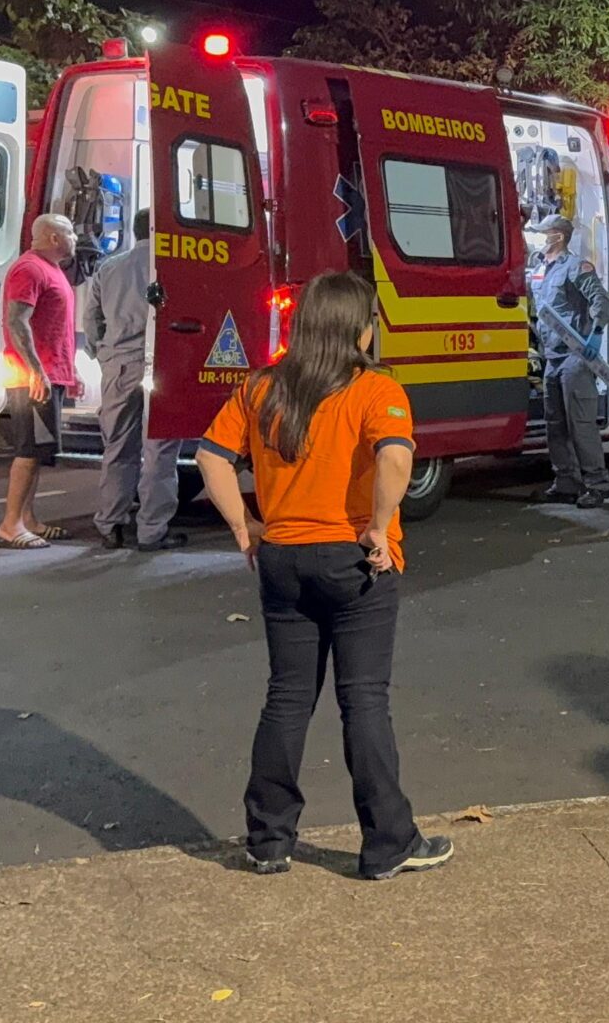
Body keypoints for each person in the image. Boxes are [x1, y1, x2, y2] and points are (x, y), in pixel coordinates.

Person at [197, 271, 453, 882]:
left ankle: (268, 838)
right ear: (360, 328)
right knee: (363, 699)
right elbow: (396, 456)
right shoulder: (375, 390)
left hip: (282, 558)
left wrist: (244, 526)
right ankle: (389, 841)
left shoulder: (263, 389)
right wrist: (379, 525)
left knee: (287, 697)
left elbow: (211, 455)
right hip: (352, 560)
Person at [86, 209, 187, 552]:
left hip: (119, 367)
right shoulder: (173, 266)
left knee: (117, 448)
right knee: (159, 450)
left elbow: (92, 322)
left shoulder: (109, 267)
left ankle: (110, 525)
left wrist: (104, 356)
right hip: (161, 367)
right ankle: (152, 530)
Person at [0, 213, 79, 550]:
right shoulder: (28, 269)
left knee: (39, 451)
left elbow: (55, 328)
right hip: (32, 378)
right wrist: (36, 370)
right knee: (28, 451)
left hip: (48, 374)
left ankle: (28, 518)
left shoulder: (51, 270)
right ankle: (10, 524)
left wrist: (69, 373)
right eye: (70, 232)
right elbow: (17, 322)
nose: (75, 237)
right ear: (54, 237)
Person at [530, 214, 609, 507]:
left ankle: (598, 485)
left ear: (559, 236)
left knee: (581, 424)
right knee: (555, 423)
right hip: (551, 358)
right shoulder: (540, 269)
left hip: (576, 357)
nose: (541, 238)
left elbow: (600, 300)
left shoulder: (576, 267)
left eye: (546, 233)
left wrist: (597, 334)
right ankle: (566, 481)